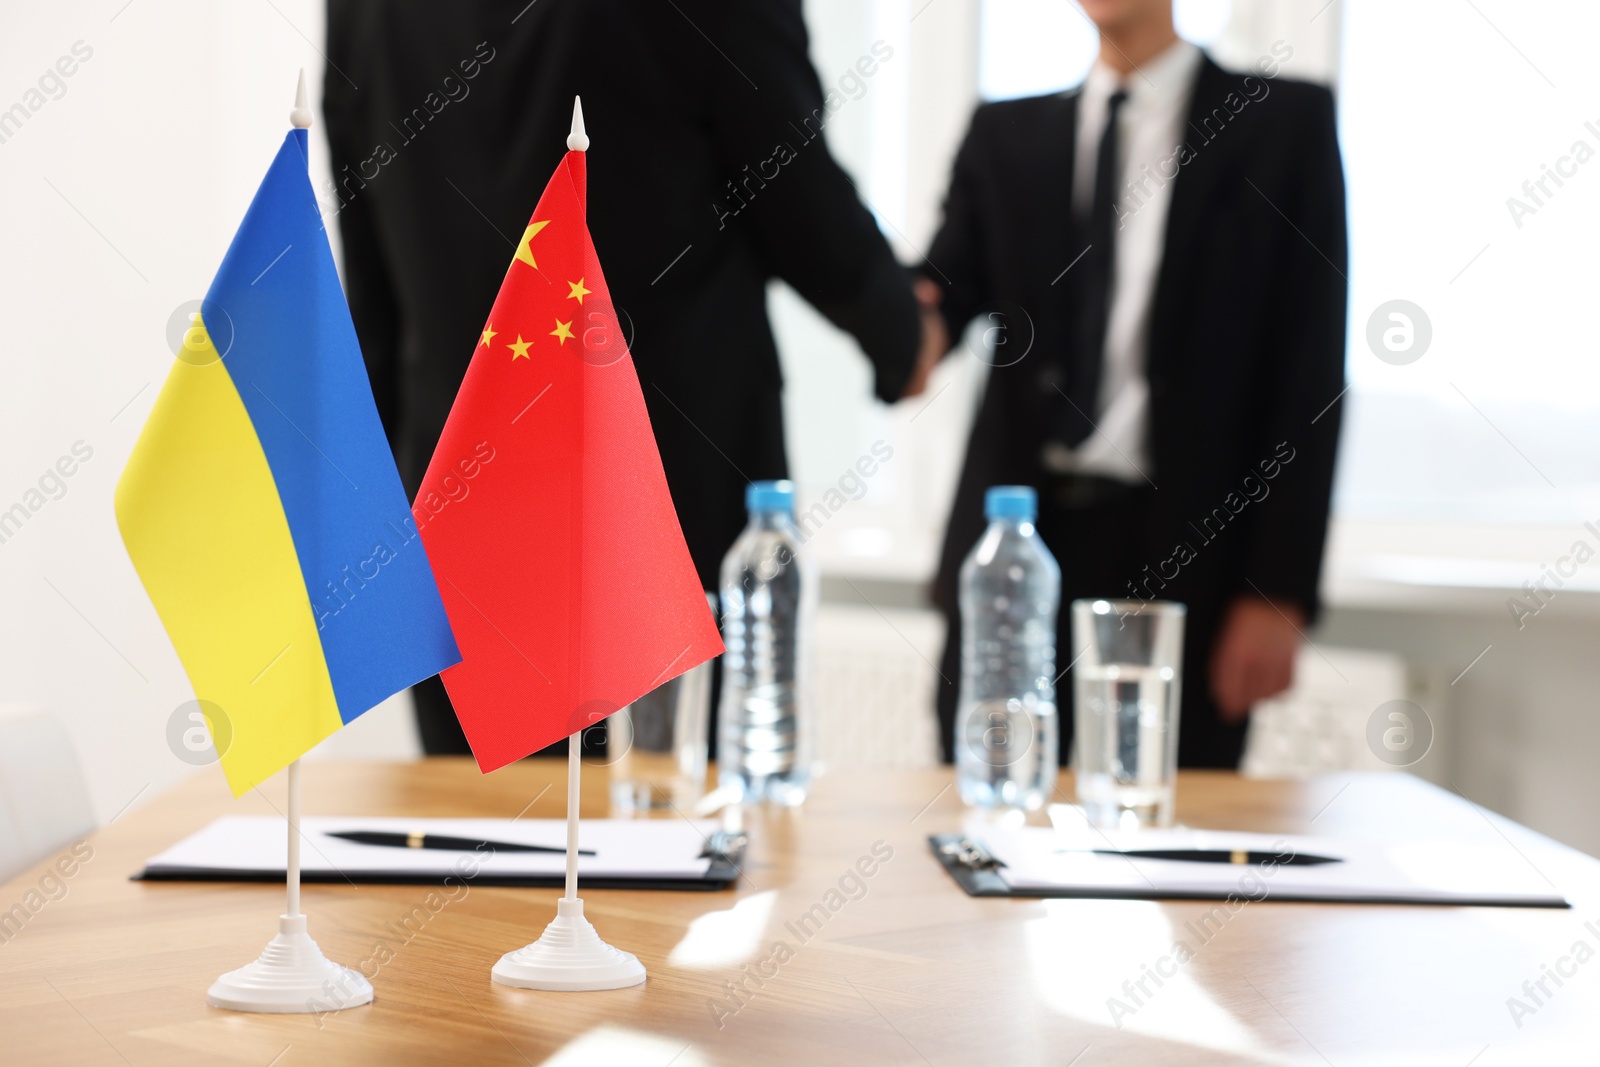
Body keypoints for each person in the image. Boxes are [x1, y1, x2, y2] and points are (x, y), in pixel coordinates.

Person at [323, 0, 932, 754]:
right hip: (664, 520)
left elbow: (369, 289)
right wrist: (901, 332)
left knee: (484, 844)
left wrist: (378, 531)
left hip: (453, 517)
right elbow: (791, 183)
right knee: (676, 834)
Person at [921, 0, 1347, 769]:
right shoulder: (1005, 137)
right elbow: (937, 304)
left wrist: (1277, 588)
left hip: (1192, 560)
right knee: (987, 825)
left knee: (1167, 843)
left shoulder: (1282, 125)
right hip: (1019, 547)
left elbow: (1309, 369)